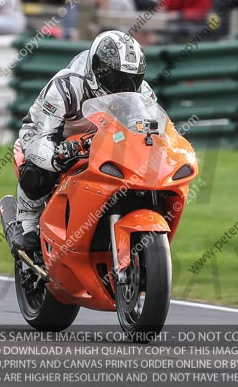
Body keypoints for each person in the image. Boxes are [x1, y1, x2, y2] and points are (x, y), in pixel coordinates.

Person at [13, 30, 156, 251]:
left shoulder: (141, 93)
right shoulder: (66, 86)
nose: (122, 88)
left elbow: (155, 131)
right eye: (115, 79)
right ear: (96, 70)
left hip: (106, 139)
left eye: (130, 80)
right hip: (54, 134)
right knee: (41, 171)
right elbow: (40, 135)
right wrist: (57, 155)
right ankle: (27, 221)